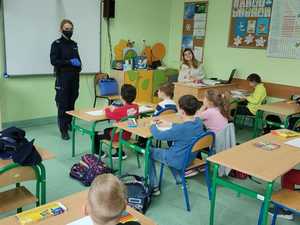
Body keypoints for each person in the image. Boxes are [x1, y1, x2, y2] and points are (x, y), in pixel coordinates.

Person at [148, 95, 204, 195]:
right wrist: (170, 124)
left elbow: (158, 135)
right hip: (189, 158)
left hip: (178, 160)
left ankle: (154, 186)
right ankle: (179, 179)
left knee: (149, 151)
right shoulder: (199, 122)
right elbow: (185, 128)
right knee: (170, 151)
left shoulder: (181, 129)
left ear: (182, 111)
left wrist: (152, 125)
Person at [50, 19, 82, 140]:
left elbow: (78, 60)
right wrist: (69, 62)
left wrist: (79, 65)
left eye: (70, 29)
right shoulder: (56, 44)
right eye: (66, 29)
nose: (69, 31)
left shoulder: (74, 44)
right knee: (63, 103)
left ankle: (69, 123)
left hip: (74, 78)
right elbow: (54, 61)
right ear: (61, 29)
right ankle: (63, 130)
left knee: (71, 102)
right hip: (63, 78)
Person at [94, 84, 139, 160]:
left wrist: (107, 108)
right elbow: (126, 111)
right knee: (111, 129)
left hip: (117, 136)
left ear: (121, 96)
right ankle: (120, 153)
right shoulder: (136, 107)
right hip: (128, 133)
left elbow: (109, 115)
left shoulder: (119, 110)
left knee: (95, 134)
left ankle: (99, 154)